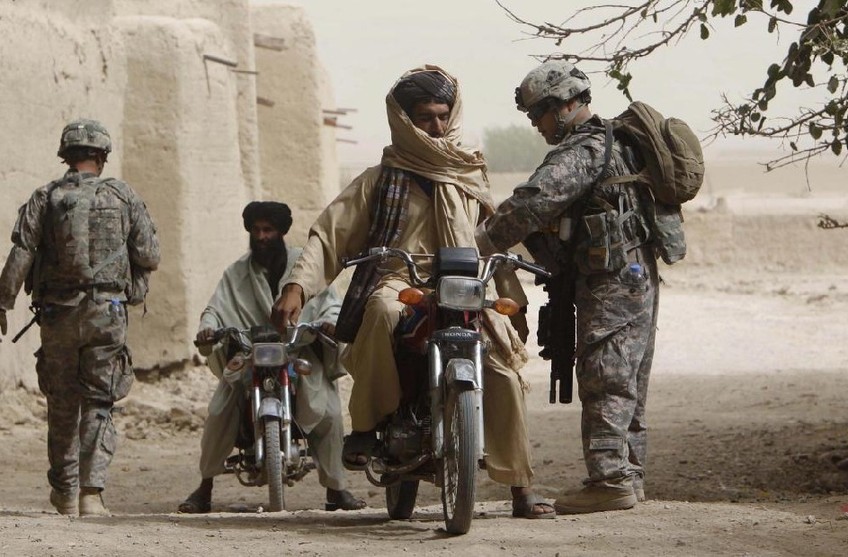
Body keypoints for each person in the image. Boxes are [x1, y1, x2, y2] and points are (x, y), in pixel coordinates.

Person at [271, 65, 555, 519]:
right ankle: (369, 424)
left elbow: (493, 238)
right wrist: (296, 287)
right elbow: (329, 235)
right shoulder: (379, 179)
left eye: (443, 115)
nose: (437, 127)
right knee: (381, 312)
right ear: (404, 121)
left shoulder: (468, 173)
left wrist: (511, 298)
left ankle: (520, 487)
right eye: (425, 117)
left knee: (500, 356)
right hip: (400, 280)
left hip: (464, 284)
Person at [475, 60, 659, 514]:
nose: (536, 126)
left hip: (611, 279)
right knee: (629, 376)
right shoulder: (618, 143)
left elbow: (531, 205)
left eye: (538, 114)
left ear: (561, 106)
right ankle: (628, 475)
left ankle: (609, 480)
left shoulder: (583, 150)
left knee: (605, 374)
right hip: (636, 274)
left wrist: (476, 243)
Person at [0, 119, 160, 516]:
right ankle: (91, 494)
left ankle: (65, 492)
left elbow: (21, 254)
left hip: (57, 314)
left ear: (66, 157)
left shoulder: (46, 197)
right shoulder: (123, 196)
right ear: (102, 157)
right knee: (99, 402)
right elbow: (149, 255)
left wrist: (2, 303)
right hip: (106, 313)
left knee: (61, 402)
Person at [178, 201, 365, 514]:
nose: (261, 236)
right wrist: (208, 329)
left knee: (330, 411)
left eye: (268, 230)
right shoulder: (236, 273)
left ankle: (336, 489)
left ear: (281, 232)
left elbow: (329, 302)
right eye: (256, 230)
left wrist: (330, 322)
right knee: (220, 409)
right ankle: (205, 487)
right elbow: (215, 308)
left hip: (297, 349)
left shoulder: (303, 267)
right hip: (251, 353)